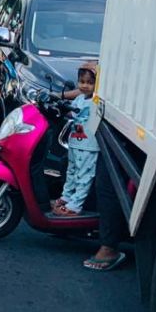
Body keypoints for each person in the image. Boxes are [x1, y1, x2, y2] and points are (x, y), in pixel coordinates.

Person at [54, 61, 99, 217]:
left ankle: (76, 205)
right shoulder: (79, 99)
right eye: (82, 82)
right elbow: (72, 114)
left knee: (84, 175)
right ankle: (66, 197)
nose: (85, 86)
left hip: (89, 145)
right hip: (74, 142)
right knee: (71, 171)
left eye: (90, 83)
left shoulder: (97, 101)